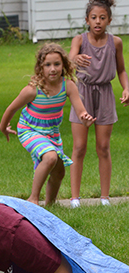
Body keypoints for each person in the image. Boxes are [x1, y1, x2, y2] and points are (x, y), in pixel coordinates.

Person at [0, 42, 95, 206]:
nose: (53, 69)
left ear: (63, 65)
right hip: (29, 130)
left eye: (57, 64)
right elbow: (11, 109)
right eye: (48, 65)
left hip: (51, 133)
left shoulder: (68, 86)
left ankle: (50, 205)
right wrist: (4, 127)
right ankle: (33, 199)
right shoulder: (33, 90)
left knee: (59, 171)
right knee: (50, 157)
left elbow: (80, 111)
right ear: (40, 68)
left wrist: (85, 118)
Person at [69, 0, 129, 208]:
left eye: (102, 18)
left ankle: (105, 197)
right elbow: (68, 62)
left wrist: (126, 88)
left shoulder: (116, 43)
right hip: (82, 95)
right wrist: (75, 59)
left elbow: (121, 70)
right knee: (79, 147)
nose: (98, 21)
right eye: (94, 17)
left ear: (109, 21)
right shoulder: (79, 40)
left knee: (103, 147)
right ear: (87, 20)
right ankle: (75, 198)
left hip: (105, 94)